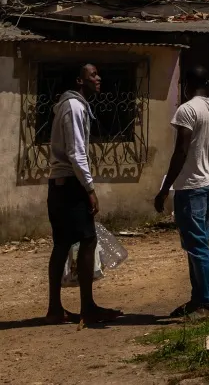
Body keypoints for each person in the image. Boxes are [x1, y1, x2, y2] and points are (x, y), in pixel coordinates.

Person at [46, 63, 120, 327]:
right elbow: (77, 153)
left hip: (59, 184)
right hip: (71, 186)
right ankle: (87, 308)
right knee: (87, 241)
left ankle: (56, 308)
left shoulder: (68, 106)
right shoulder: (75, 107)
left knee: (62, 244)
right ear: (80, 80)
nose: (98, 79)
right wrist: (90, 189)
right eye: (93, 75)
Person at [155, 63, 209, 318]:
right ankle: (198, 299)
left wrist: (165, 188)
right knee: (197, 244)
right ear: (207, 83)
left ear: (186, 85)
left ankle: (207, 302)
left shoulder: (187, 110)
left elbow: (181, 150)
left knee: (197, 246)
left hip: (191, 187)